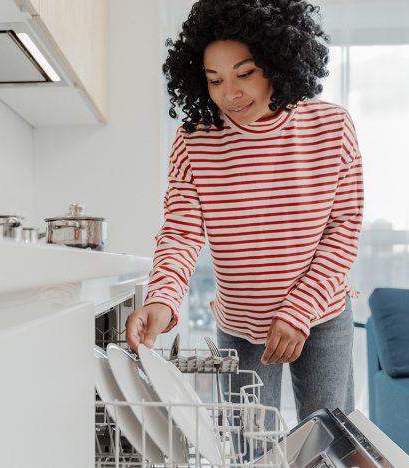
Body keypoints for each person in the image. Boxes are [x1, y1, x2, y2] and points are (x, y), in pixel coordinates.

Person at [126, 0, 364, 426]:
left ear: (278, 62)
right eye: (214, 80)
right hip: (240, 321)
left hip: (321, 315)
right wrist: (162, 300)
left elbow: (343, 231)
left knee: (328, 441)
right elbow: (181, 233)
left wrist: (298, 310)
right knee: (249, 450)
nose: (229, 94)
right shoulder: (194, 141)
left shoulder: (331, 127)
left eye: (244, 74)